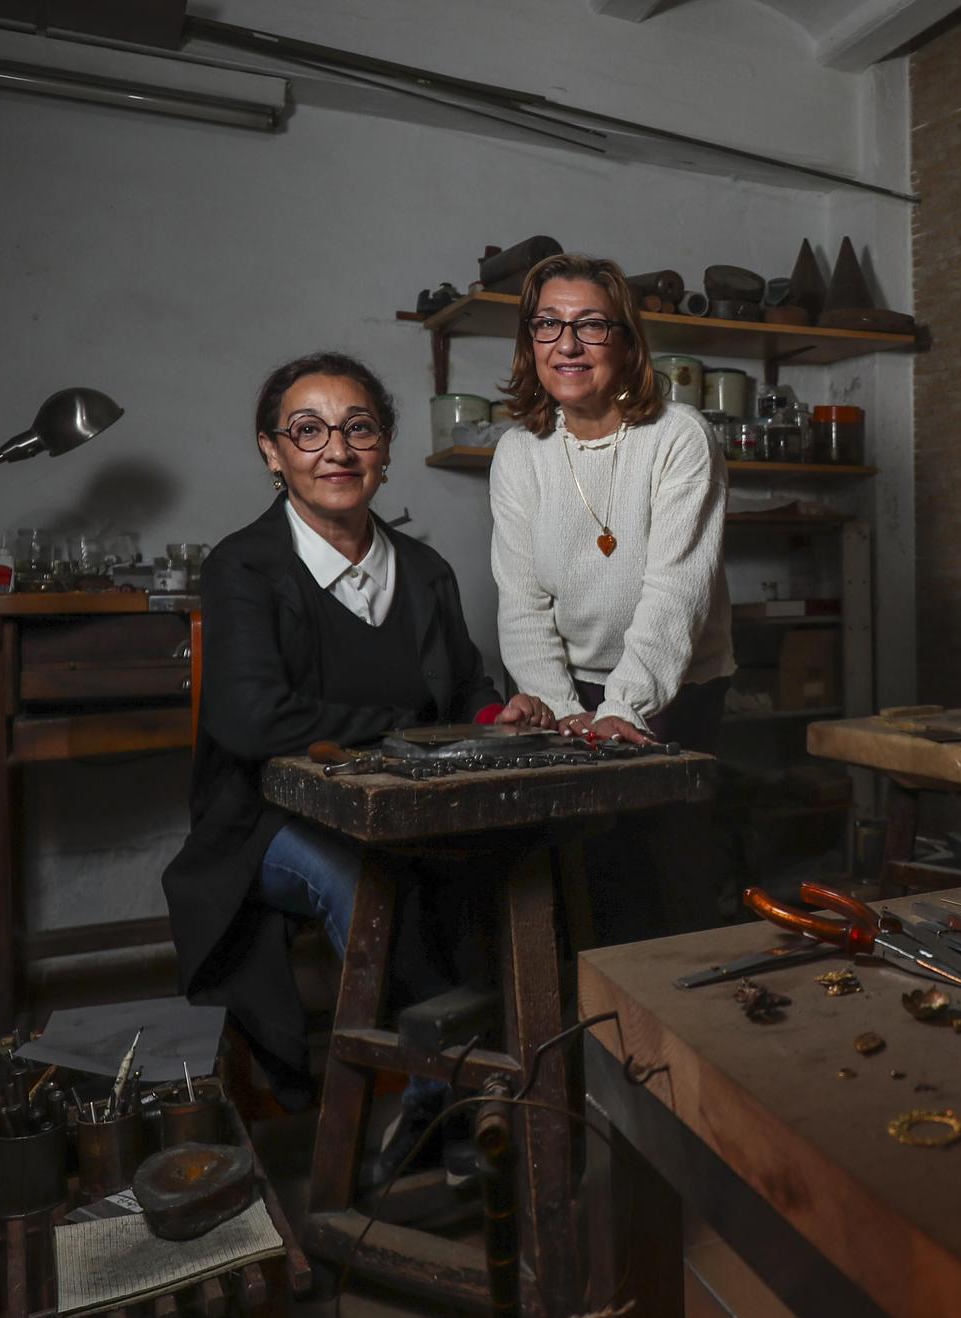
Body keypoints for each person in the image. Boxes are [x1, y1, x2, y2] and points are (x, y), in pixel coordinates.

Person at [163, 351, 551, 1154]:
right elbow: (247, 718)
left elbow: (464, 689)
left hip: (407, 810)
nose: (335, 450)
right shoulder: (244, 566)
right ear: (272, 452)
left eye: (359, 428)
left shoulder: (425, 570)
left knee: (516, 864)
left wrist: (496, 713)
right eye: (307, 431)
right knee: (358, 876)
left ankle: (472, 1089)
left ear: (384, 450)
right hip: (263, 823)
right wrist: (405, 730)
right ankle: (448, 1094)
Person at [489, 253, 734, 930]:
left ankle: (673, 1029)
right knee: (576, 882)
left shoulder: (680, 438)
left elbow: (676, 588)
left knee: (666, 881)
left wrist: (621, 707)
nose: (567, 344)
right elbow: (521, 601)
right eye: (548, 324)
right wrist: (564, 710)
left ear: (627, 342)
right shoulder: (519, 453)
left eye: (591, 325)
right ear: (529, 342)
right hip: (571, 692)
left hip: (675, 687)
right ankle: (587, 1029)